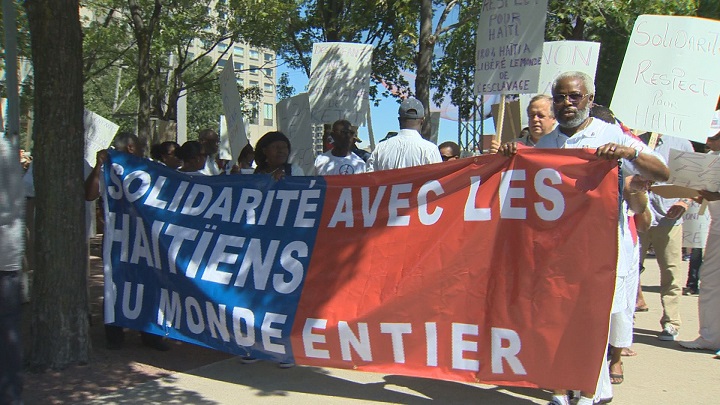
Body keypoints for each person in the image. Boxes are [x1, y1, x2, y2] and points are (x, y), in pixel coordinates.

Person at [498, 71, 668, 405]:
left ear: (589, 99)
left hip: (601, 247)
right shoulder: (546, 144)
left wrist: (628, 154)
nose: (567, 103)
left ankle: (590, 391)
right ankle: (561, 389)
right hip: (557, 251)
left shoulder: (610, 133)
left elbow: (662, 171)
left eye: (574, 96)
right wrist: (511, 155)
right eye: (560, 97)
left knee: (593, 320)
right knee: (556, 318)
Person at [84, 132, 169, 351]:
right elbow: (90, 194)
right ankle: (114, 334)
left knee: (150, 283)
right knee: (116, 283)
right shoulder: (108, 169)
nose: (141, 149)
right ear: (131, 148)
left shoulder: (150, 168)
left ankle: (150, 334)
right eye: (139, 146)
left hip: (145, 238)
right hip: (119, 237)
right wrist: (99, 166)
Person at [637, 131, 695, 341]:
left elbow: (693, 178)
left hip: (668, 218)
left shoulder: (681, 143)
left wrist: (684, 202)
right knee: (630, 271)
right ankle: (625, 321)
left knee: (671, 272)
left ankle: (671, 322)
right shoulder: (633, 140)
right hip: (638, 215)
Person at [679, 127, 720, 353]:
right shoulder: (711, 158)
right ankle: (710, 336)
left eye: (713, 138)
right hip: (716, 226)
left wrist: (714, 196)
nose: (708, 142)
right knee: (710, 281)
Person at [1, 132, 25, 404]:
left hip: (5, 258)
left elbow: (13, 205)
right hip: (7, 254)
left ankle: (10, 395)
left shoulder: (3, 150)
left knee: (7, 330)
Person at [367, 98, 442, 171]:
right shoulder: (430, 150)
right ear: (422, 121)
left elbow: (370, 177)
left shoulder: (380, 148)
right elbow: (438, 177)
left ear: (399, 120)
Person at [489, 94, 556, 153]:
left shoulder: (561, 146)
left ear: (554, 118)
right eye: (531, 115)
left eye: (540, 116)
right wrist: (496, 156)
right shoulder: (511, 148)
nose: (535, 119)